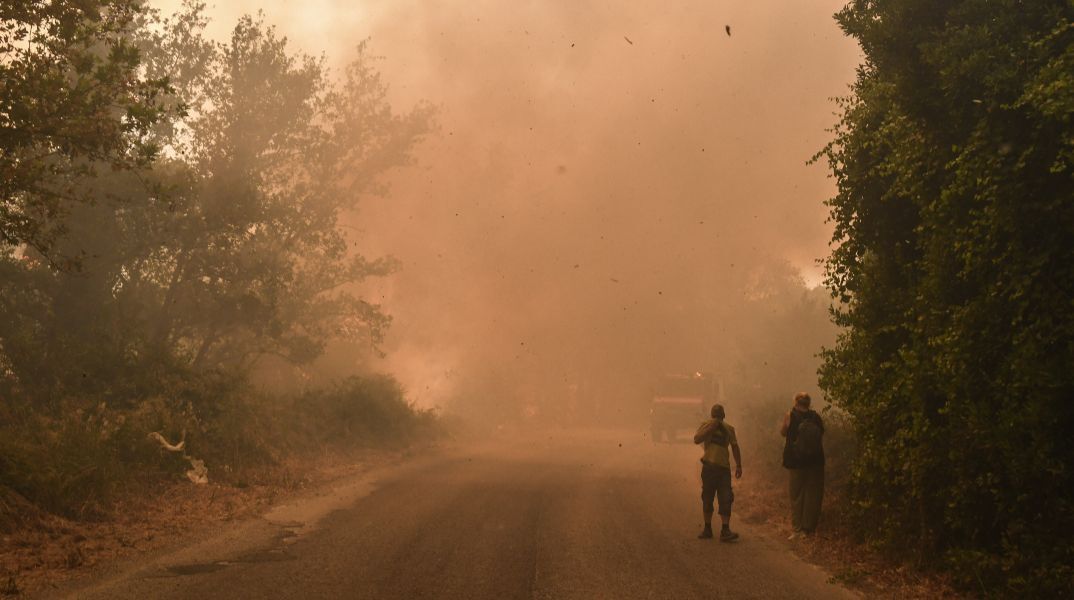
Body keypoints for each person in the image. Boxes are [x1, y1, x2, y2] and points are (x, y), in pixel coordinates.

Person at [693, 403, 742, 541]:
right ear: (723, 415)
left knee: (722, 498)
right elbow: (697, 439)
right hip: (713, 467)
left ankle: (722, 530)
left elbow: (735, 446)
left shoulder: (728, 429)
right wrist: (711, 427)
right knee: (711, 497)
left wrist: (738, 465)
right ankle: (710, 529)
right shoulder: (706, 425)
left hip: (720, 468)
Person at [781, 392, 824, 538]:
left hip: (796, 460)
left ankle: (796, 529)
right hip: (815, 461)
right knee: (812, 494)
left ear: (796, 402)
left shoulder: (790, 415)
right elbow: (821, 435)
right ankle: (808, 529)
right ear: (808, 403)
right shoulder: (816, 417)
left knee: (796, 495)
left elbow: (783, 432)